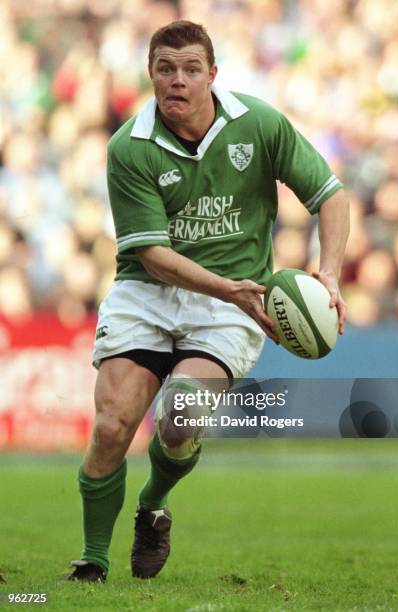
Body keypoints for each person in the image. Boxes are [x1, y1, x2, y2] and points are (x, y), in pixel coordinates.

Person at [67, 20, 349, 583]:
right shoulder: (130, 147)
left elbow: (330, 196)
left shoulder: (260, 124)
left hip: (229, 304)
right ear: (150, 75)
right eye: (165, 69)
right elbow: (152, 256)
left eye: (191, 69)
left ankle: (153, 506)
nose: (178, 80)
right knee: (112, 424)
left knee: (179, 415)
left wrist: (331, 276)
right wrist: (234, 290)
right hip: (150, 295)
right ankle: (93, 562)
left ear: (213, 75)